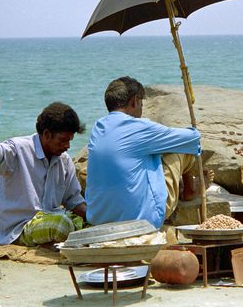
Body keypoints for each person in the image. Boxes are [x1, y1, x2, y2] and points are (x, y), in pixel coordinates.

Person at [86, 76, 209, 228]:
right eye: (141, 103)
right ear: (134, 101)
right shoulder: (139, 127)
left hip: (100, 220)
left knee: (144, 155)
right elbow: (192, 139)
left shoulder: (98, 128)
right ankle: (190, 190)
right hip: (143, 219)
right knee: (182, 150)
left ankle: (179, 186)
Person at [0, 84, 86, 246]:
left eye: (69, 141)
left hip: (53, 217)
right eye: (63, 141)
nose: (67, 146)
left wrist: (96, 216)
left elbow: (73, 200)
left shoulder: (63, 160)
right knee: (60, 226)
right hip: (21, 227)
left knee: (94, 224)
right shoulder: (18, 149)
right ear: (46, 134)